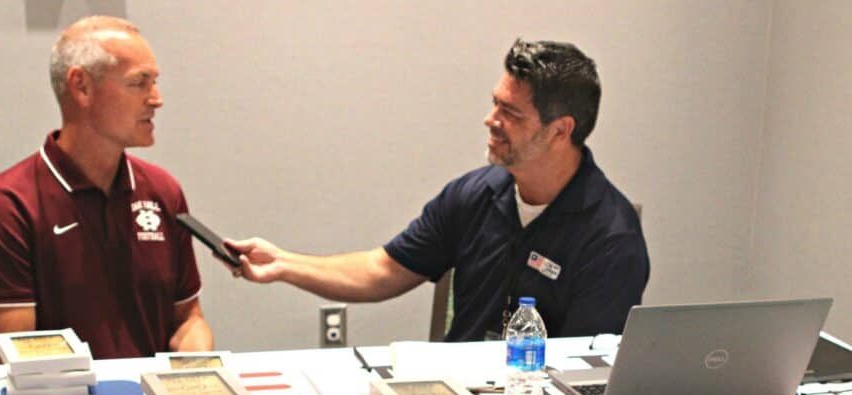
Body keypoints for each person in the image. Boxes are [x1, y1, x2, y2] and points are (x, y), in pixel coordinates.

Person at [227, 39, 649, 340]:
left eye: (510, 112)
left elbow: (582, 376)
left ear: (560, 130)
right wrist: (282, 263)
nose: (490, 119)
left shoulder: (611, 237)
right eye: (494, 103)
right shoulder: (477, 193)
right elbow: (384, 271)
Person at [0, 16, 213, 363]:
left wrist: (195, 368)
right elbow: (10, 357)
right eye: (139, 83)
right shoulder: (8, 205)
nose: (156, 99)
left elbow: (188, 318)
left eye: (154, 82)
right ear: (81, 87)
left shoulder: (162, 191)